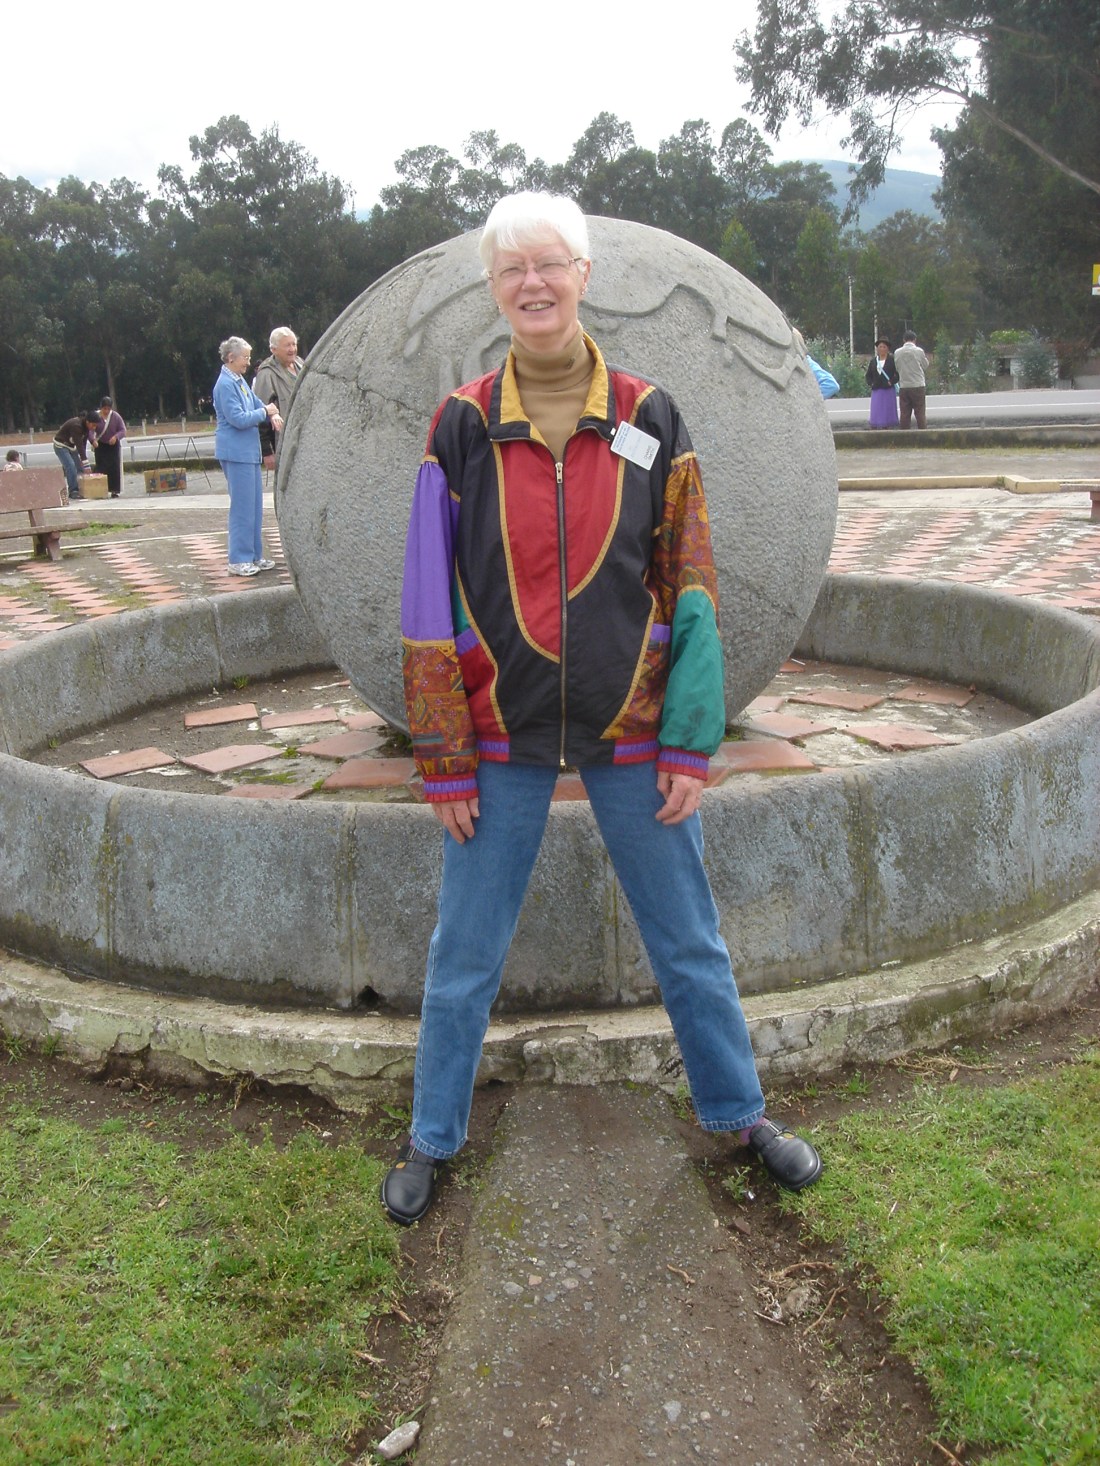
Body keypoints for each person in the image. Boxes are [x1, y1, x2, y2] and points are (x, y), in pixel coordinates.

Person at [382, 191, 823, 1227]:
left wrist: (691, 734)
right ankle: (430, 1132)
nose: (531, 285)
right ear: (492, 289)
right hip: (497, 730)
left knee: (688, 940)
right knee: (464, 952)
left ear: (583, 275)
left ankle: (740, 1112)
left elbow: (691, 576)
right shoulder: (456, 423)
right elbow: (421, 591)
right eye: (510, 270)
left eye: (549, 265)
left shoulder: (646, 412)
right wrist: (443, 752)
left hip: (633, 726)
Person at [212, 336, 282, 576]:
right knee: (242, 508)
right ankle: (238, 558)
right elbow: (239, 418)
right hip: (235, 452)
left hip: (249, 453)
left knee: (254, 507)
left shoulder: (239, 380)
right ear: (231, 357)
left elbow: (257, 403)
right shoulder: (224, 384)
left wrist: (268, 412)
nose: (248, 362)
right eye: (245, 357)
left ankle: (254, 555)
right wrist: (265, 411)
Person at [252, 327, 302, 469]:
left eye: (294, 344)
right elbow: (261, 411)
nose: (292, 349)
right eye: (287, 345)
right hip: (284, 444)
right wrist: (267, 452)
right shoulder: (266, 373)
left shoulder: (301, 364)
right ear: (273, 349)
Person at [52, 410, 102, 500]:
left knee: (80, 467)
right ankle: (73, 490)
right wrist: (86, 464)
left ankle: (82, 488)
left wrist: (83, 461)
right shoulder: (76, 426)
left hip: (72, 446)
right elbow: (79, 446)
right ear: (88, 422)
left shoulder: (87, 428)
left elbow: (83, 444)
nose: (94, 427)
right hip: (61, 445)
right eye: (93, 425)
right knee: (71, 466)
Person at [894, 330, 930, 429]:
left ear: (903, 340)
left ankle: (905, 437)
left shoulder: (897, 352)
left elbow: (897, 367)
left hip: (904, 386)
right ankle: (923, 435)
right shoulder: (919, 351)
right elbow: (925, 365)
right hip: (918, 385)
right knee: (920, 413)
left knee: (905, 413)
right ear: (915, 339)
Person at [94, 395, 127, 496]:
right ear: (101, 407)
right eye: (104, 408)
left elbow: (123, 430)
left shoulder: (116, 417)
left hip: (112, 444)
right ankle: (101, 489)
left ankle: (114, 490)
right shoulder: (96, 416)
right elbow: (91, 430)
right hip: (100, 445)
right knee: (101, 467)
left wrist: (116, 437)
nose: (106, 411)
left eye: (108, 409)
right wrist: (93, 440)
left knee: (114, 467)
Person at [865, 338, 899, 429]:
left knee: (887, 409)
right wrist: (871, 383)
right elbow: (868, 375)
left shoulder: (892, 360)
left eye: (884, 347)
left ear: (887, 349)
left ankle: (887, 426)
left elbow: (897, 374)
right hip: (877, 389)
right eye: (880, 347)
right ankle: (875, 425)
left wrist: (891, 381)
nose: (882, 349)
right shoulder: (873, 361)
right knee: (877, 409)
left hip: (888, 389)